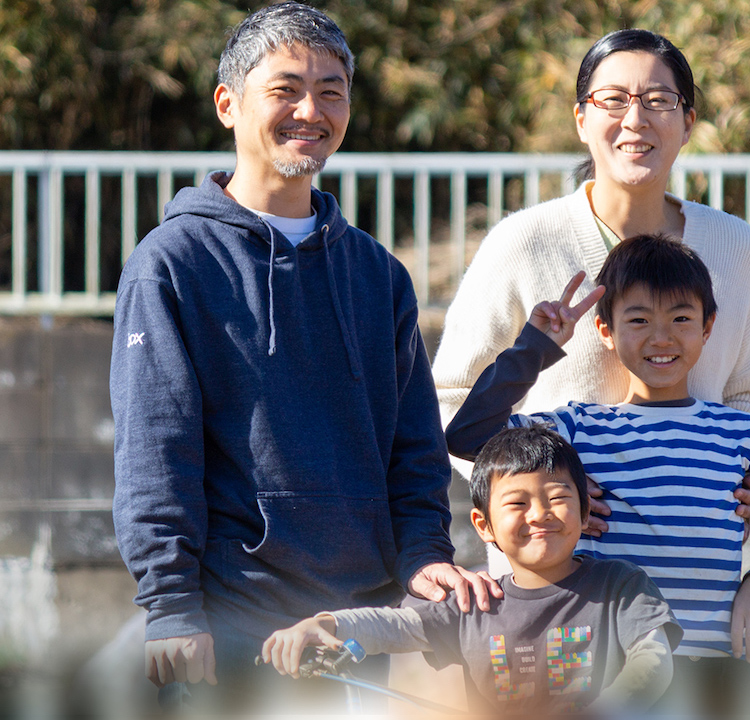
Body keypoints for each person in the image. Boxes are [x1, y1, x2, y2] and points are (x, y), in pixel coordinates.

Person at [109, 3, 498, 710]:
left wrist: (423, 556)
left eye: (331, 90)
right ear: (229, 104)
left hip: (355, 624)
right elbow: (155, 448)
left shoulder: (377, 274)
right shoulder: (173, 264)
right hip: (233, 624)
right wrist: (170, 605)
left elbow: (413, 449)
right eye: (285, 88)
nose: (309, 110)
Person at [444, 234, 750, 715]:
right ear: (605, 330)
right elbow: (467, 435)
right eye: (639, 320)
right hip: (607, 669)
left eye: (681, 319)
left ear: (708, 327)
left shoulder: (739, 432)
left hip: (712, 668)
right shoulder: (576, 429)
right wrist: (536, 346)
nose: (661, 337)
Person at [432, 28, 750, 550]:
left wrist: (743, 479)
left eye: (659, 101)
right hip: (551, 579)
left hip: (689, 569)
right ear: (582, 120)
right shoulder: (524, 241)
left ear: (688, 124)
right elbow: (450, 400)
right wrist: (536, 483)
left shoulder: (733, 245)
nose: (636, 120)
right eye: (612, 100)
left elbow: (746, 394)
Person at [262, 426, 683, 714]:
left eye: (557, 497)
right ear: (483, 525)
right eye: (517, 504)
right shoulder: (475, 601)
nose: (540, 514)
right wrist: (327, 625)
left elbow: (654, 659)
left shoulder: (622, 585)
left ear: (585, 508)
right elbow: (392, 626)